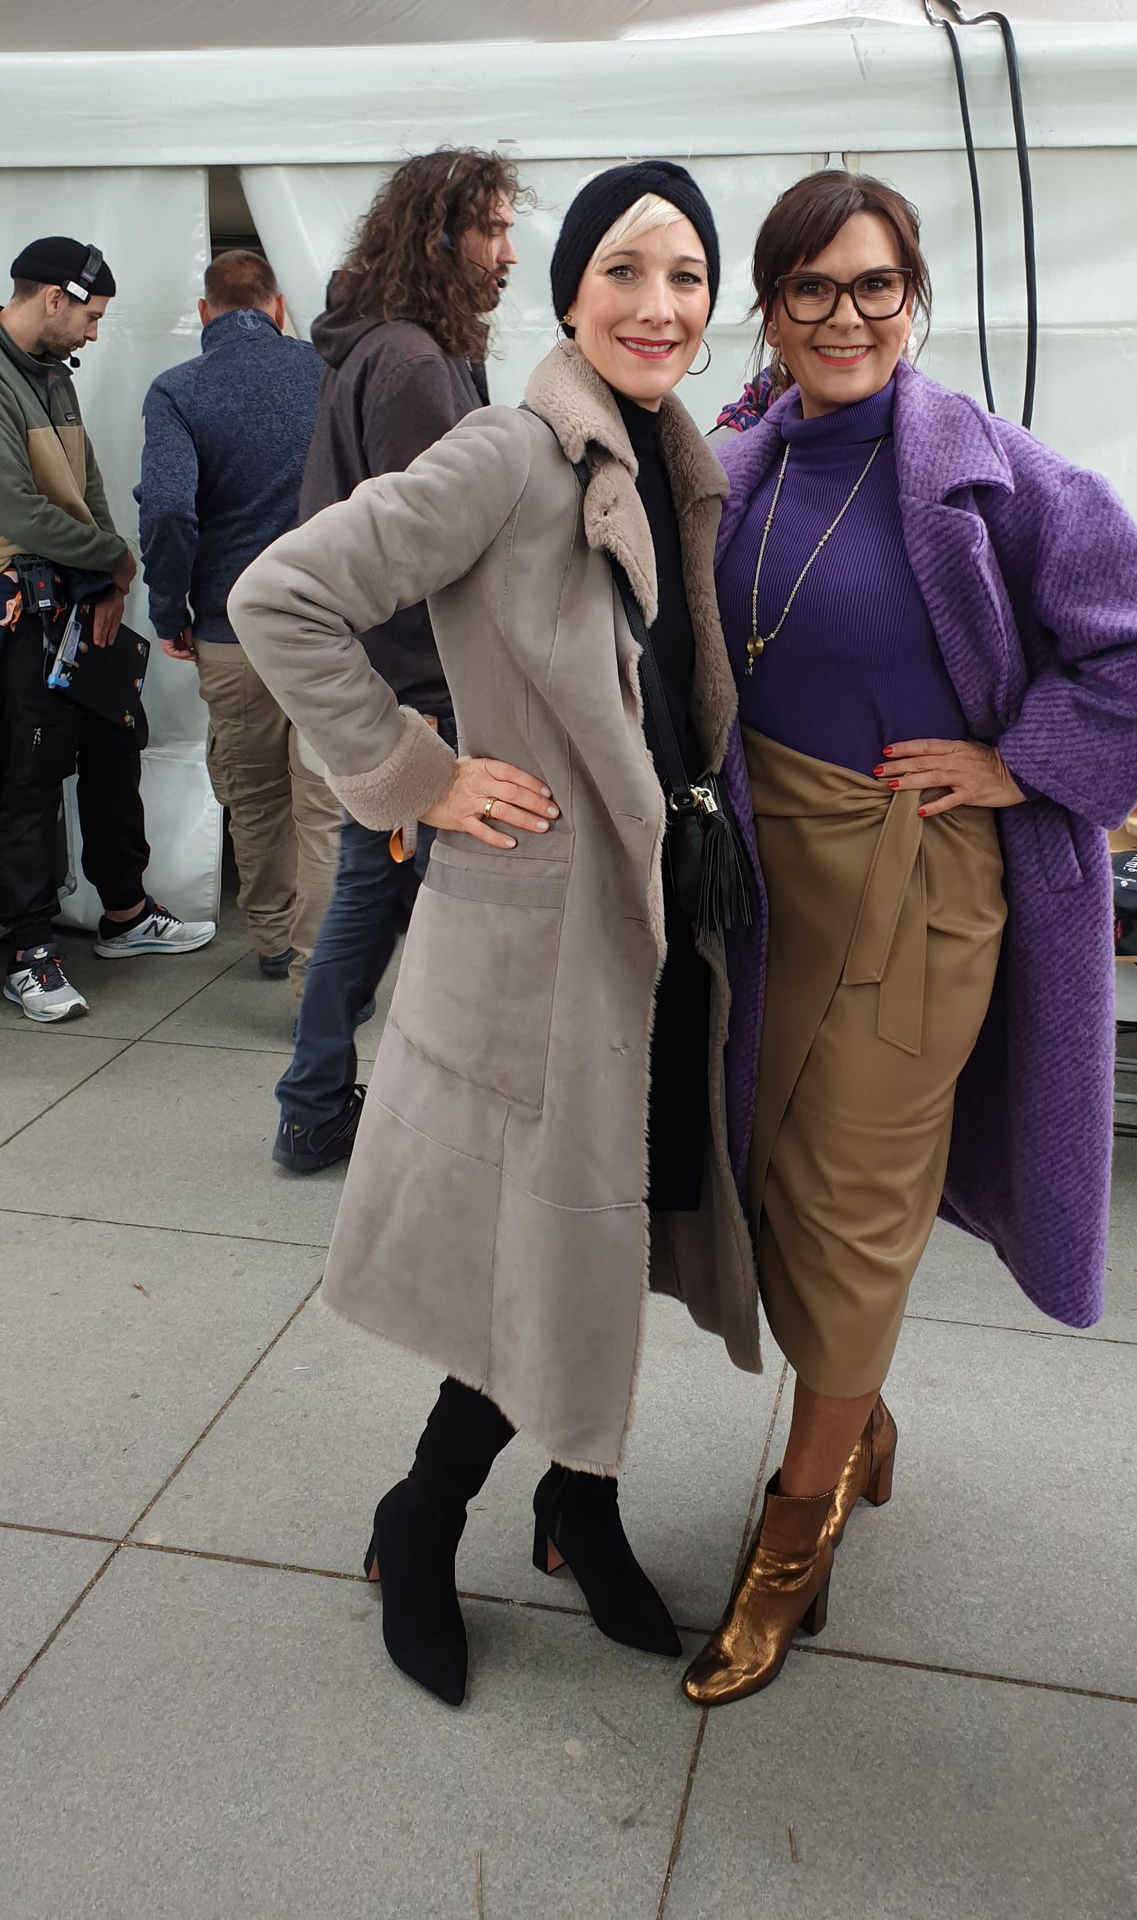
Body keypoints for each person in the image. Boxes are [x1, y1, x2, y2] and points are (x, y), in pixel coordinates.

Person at [683, 168, 1137, 1708]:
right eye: (812, 287)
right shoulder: (737, 458)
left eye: (877, 286)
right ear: (770, 309)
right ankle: (856, 1418)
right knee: (766, 1177)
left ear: (914, 298)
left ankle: (794, 1536)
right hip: (763, 883)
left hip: (915, 890)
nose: (846, 316)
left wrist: (1022, 760)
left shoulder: (996, 474)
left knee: (854, 1201)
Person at [230, 160, 761, 1707]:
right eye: (624, 272)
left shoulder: (678, 457)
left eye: (685, 275)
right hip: (548, 937)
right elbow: (283, 597)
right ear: (570, 293)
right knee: (547, 1243)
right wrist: (420, 776)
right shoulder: (509, 452)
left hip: (662, 925)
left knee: (616, 1229)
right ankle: (423, 1513)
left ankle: (578, 1502)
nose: (658, 304)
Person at [271, 149, 521, 1172]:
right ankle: (318, 1104)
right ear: (438, 237)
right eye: (491, 230)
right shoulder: (412, 362)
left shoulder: (388, 345)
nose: (507, 254)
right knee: (396, 903)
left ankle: (321, 1102)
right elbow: (438, 549)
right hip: (415, 691)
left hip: (398, 681)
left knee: (380, 902)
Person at [0, 236, 216, 1025]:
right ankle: (29, 952)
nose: (94, 333)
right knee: (28, 779)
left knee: (115, 745)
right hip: (22, 611)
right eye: (90, 316)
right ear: (52, 298)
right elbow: (17, 508)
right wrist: (115, 561)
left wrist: (107, 577)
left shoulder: (54, 374)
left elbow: (86, 483)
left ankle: (124, 914)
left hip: (78, 594)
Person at [136, 249, 340, 999]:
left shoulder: (178, 389)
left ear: (204, 312)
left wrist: (170, 610)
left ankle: (271, 938)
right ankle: (322, 973)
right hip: (327, 630)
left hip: (231, 630)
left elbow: (167, 510)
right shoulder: (329, 374)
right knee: (325, 804)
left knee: (254, 797)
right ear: (278, 307)